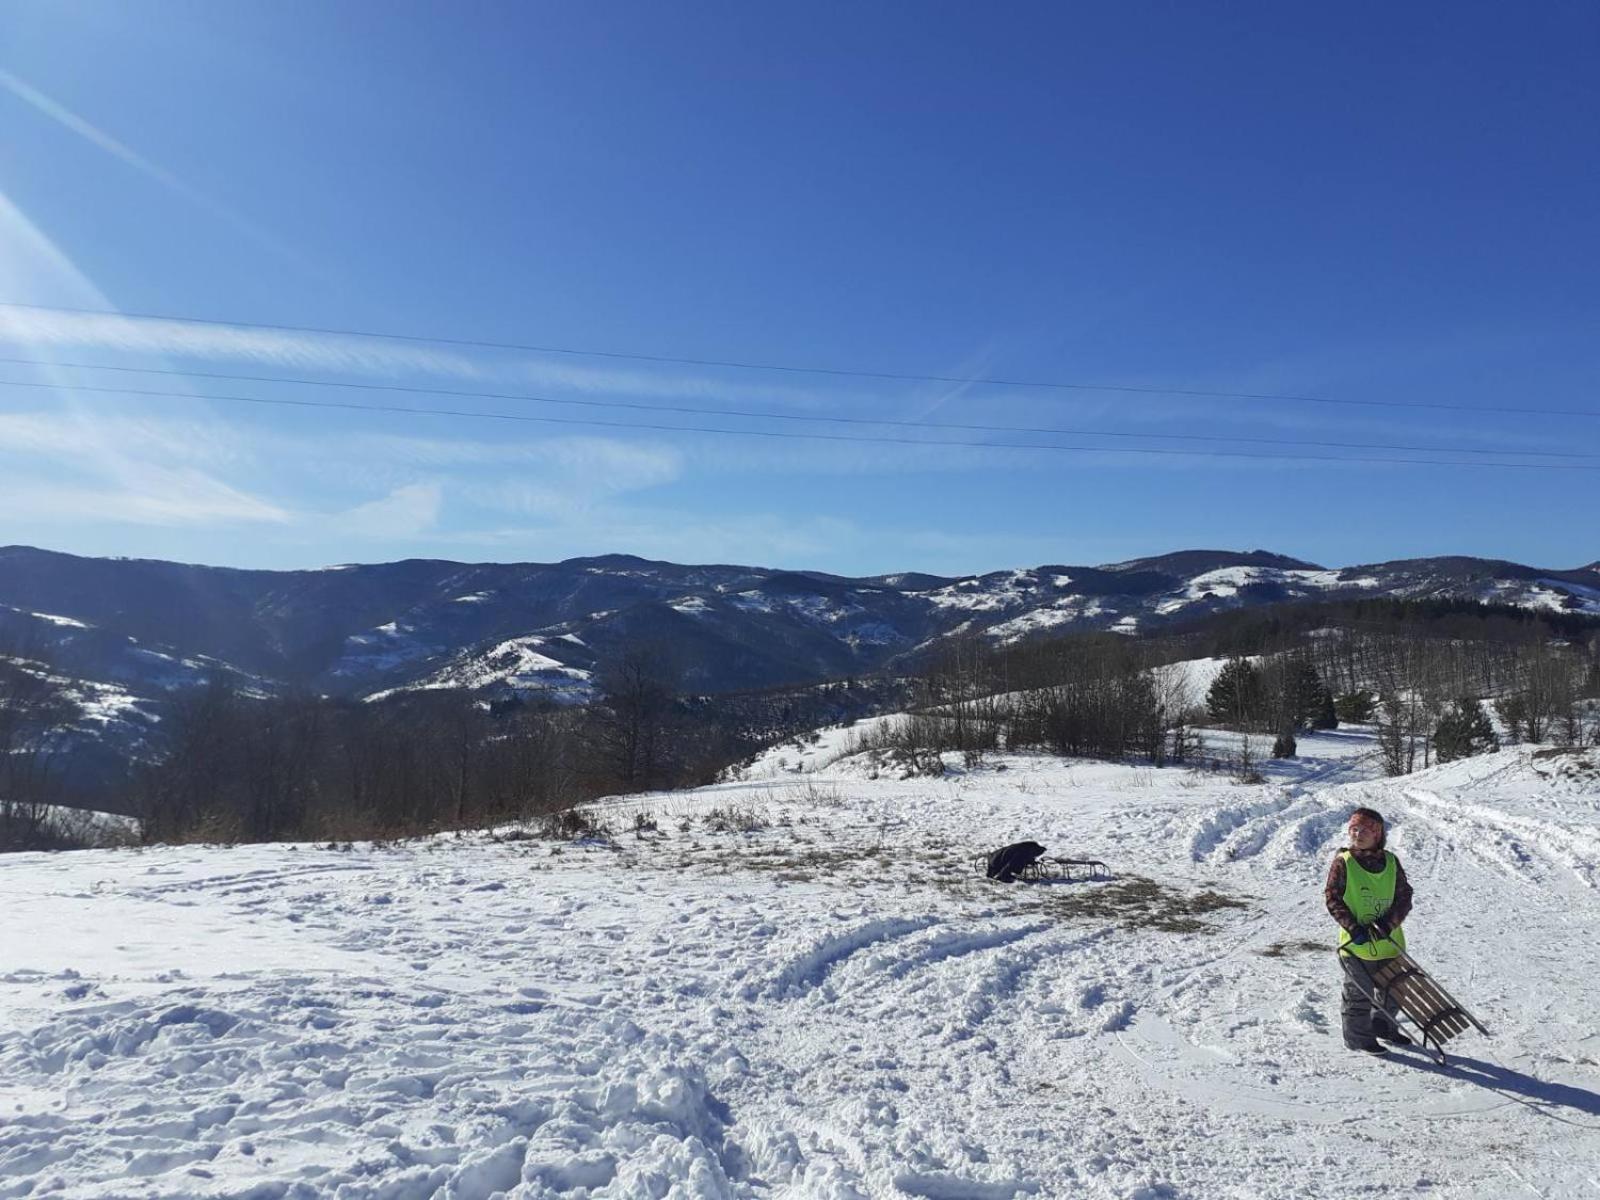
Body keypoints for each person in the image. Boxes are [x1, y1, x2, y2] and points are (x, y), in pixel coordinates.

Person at [1325, 806, 1414, 1055]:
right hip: (1356, 944)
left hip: (1389, 941)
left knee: (1394, 991)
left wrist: (1388, 924)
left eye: (1364, 829)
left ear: (1377, 834)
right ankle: (1358, 1038)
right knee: (1358, 995)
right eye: (1353, 829)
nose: (1357, 834)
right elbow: (1332, 898)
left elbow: (1405, 896)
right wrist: (1353, 927)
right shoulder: (1343, 862)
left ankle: (1383, 1027)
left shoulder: (1391, 862)